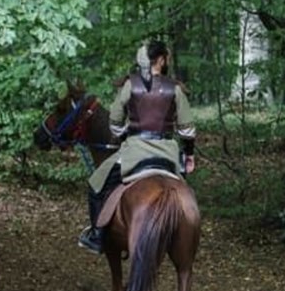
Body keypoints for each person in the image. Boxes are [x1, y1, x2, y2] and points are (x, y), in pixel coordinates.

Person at [78, 40, 197, 253]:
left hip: (134, 151)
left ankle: (97, 236)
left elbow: (114, 121)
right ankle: (187, 234)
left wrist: (122, 133)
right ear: (161, 60)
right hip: (168, 153)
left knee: (96, 185)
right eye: (166, 57)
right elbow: (187, 130)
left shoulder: (130, 84)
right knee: (185, 195)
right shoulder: (175, 89)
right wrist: (189, 155)